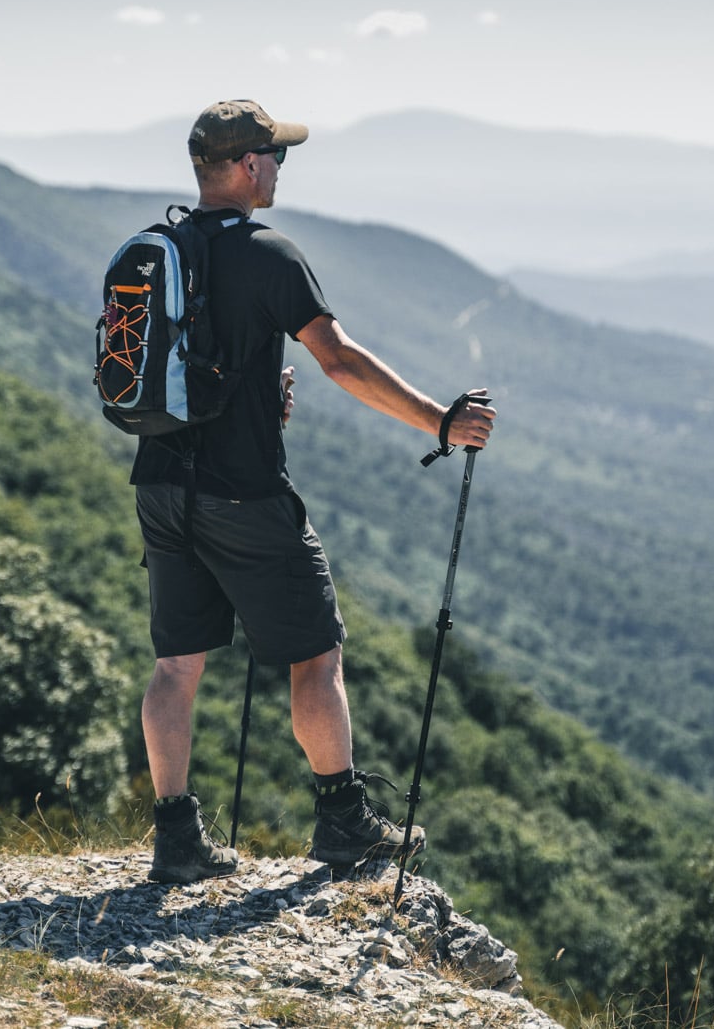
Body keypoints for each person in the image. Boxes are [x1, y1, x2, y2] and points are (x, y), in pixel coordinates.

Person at [136, 98, 497, 884]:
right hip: (244, 494)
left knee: (175, 667)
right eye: (274, 156)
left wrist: (260, 400)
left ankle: (175, 838)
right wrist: (440, 421)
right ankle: (341, 821)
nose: (279, 169)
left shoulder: (163, 246)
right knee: (316, 652)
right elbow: (338, 359)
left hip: (160, 482)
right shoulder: (271, 253)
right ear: (243, 167)